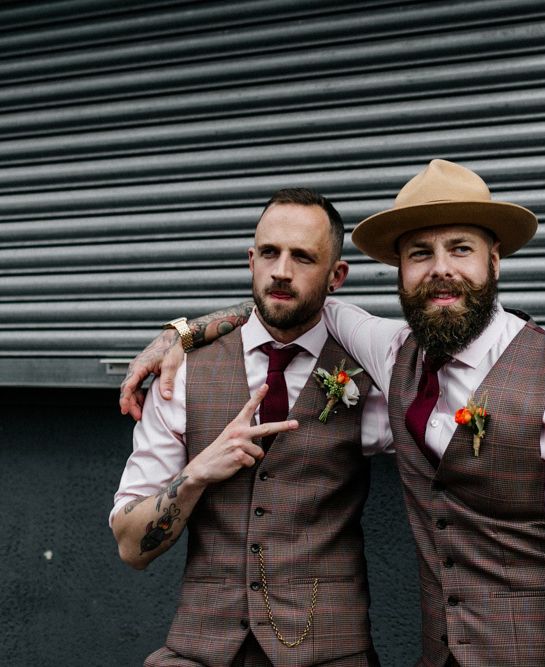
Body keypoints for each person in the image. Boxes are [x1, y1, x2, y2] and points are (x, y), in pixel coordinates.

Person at [121, 161, 545, 666]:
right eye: (420, 253)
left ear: (495, 260)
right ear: (401, 270)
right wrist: (181, 334)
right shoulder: (394, 354)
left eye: (461, 249)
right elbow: (284, 304)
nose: (441, 268)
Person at [111, 188, 390, 667]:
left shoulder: (375, 371)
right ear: (251, 260)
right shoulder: (183, 374)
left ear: (336, 275)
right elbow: (132, 548)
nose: (281, 270)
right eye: (269, 253)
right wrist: (197, 472)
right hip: (199, 651)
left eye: (303, 257)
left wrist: (185, 327)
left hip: (328, 651)